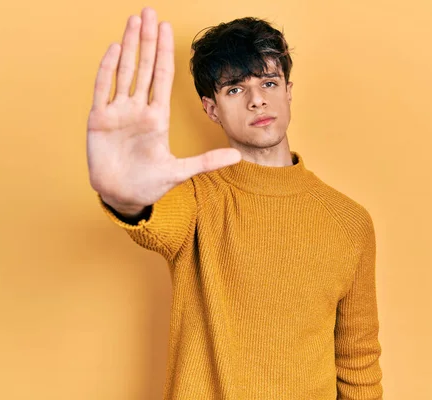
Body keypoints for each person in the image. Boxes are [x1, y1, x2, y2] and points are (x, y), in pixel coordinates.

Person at [86, 6, 383, 400]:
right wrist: (124, 196)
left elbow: (357, 361)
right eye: (235, 89)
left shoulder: (349, 220)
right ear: (212, 109)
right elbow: (152, 221)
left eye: (270, 83)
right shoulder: (194, 199)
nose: (257, 100)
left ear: (289, 92)